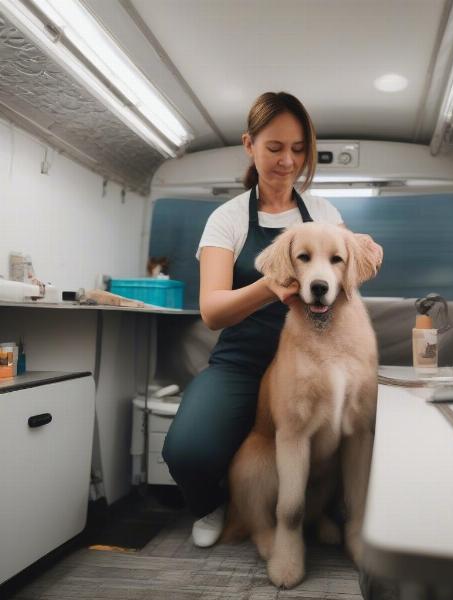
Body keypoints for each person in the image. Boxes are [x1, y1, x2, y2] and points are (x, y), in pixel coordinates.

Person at [162, 91, 382, 547]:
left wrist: (359, 255)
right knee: (187, 451)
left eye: (298, 149)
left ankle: (324, 514)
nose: (288, 161)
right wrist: (271, 284)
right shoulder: (226, 220)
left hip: (312, 354)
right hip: (243, 361)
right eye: (275, 147)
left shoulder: (322, 214)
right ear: (249, 145)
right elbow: (213, 311)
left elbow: (342, 282)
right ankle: (216, 503)